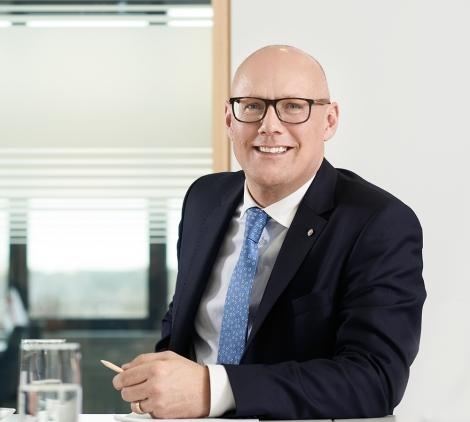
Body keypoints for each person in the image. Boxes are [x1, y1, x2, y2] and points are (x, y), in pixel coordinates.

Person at [113, 45, 426, 419]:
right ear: (229, 119)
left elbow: (374, 379)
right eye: (252, 106)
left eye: (293, 106)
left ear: (329, 120)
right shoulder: (203, 198)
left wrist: (214, 389)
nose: (269, 126)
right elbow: (182, 323)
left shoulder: (378, 223)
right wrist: (157, 385)